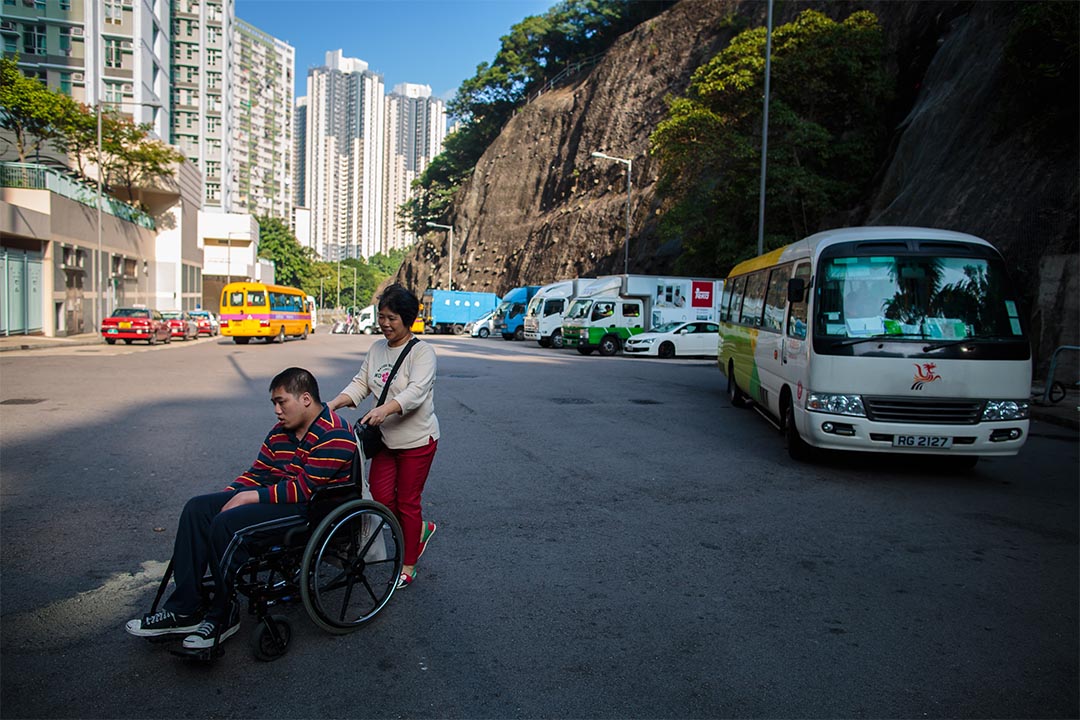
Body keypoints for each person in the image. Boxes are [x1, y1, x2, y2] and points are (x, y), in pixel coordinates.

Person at [125, 367, 356, 649]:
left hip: (307, 510)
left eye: (281, 402)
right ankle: (185, 608)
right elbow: (257, 473)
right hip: (275, 498)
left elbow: (304, 489)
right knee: (198, 509)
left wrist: (248, 499)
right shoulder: (280, 432)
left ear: (306, 399)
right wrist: (229, 495)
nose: (276, 410)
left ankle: (222, 615)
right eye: (274, 403)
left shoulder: (335, 433)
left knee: (227, 524)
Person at [327, 283, 439, 590]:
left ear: (408, 319)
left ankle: (408, 563)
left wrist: (386, 409)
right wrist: (333, 404)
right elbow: (361, 383)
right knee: (380, 498)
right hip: (386, 441)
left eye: (392, 318)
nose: (385, 324)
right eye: (382, 316)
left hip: (417, 440)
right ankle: (418, 532)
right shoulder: (377, 349)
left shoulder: (423, 353)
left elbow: (416, 392)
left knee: (407, 502)